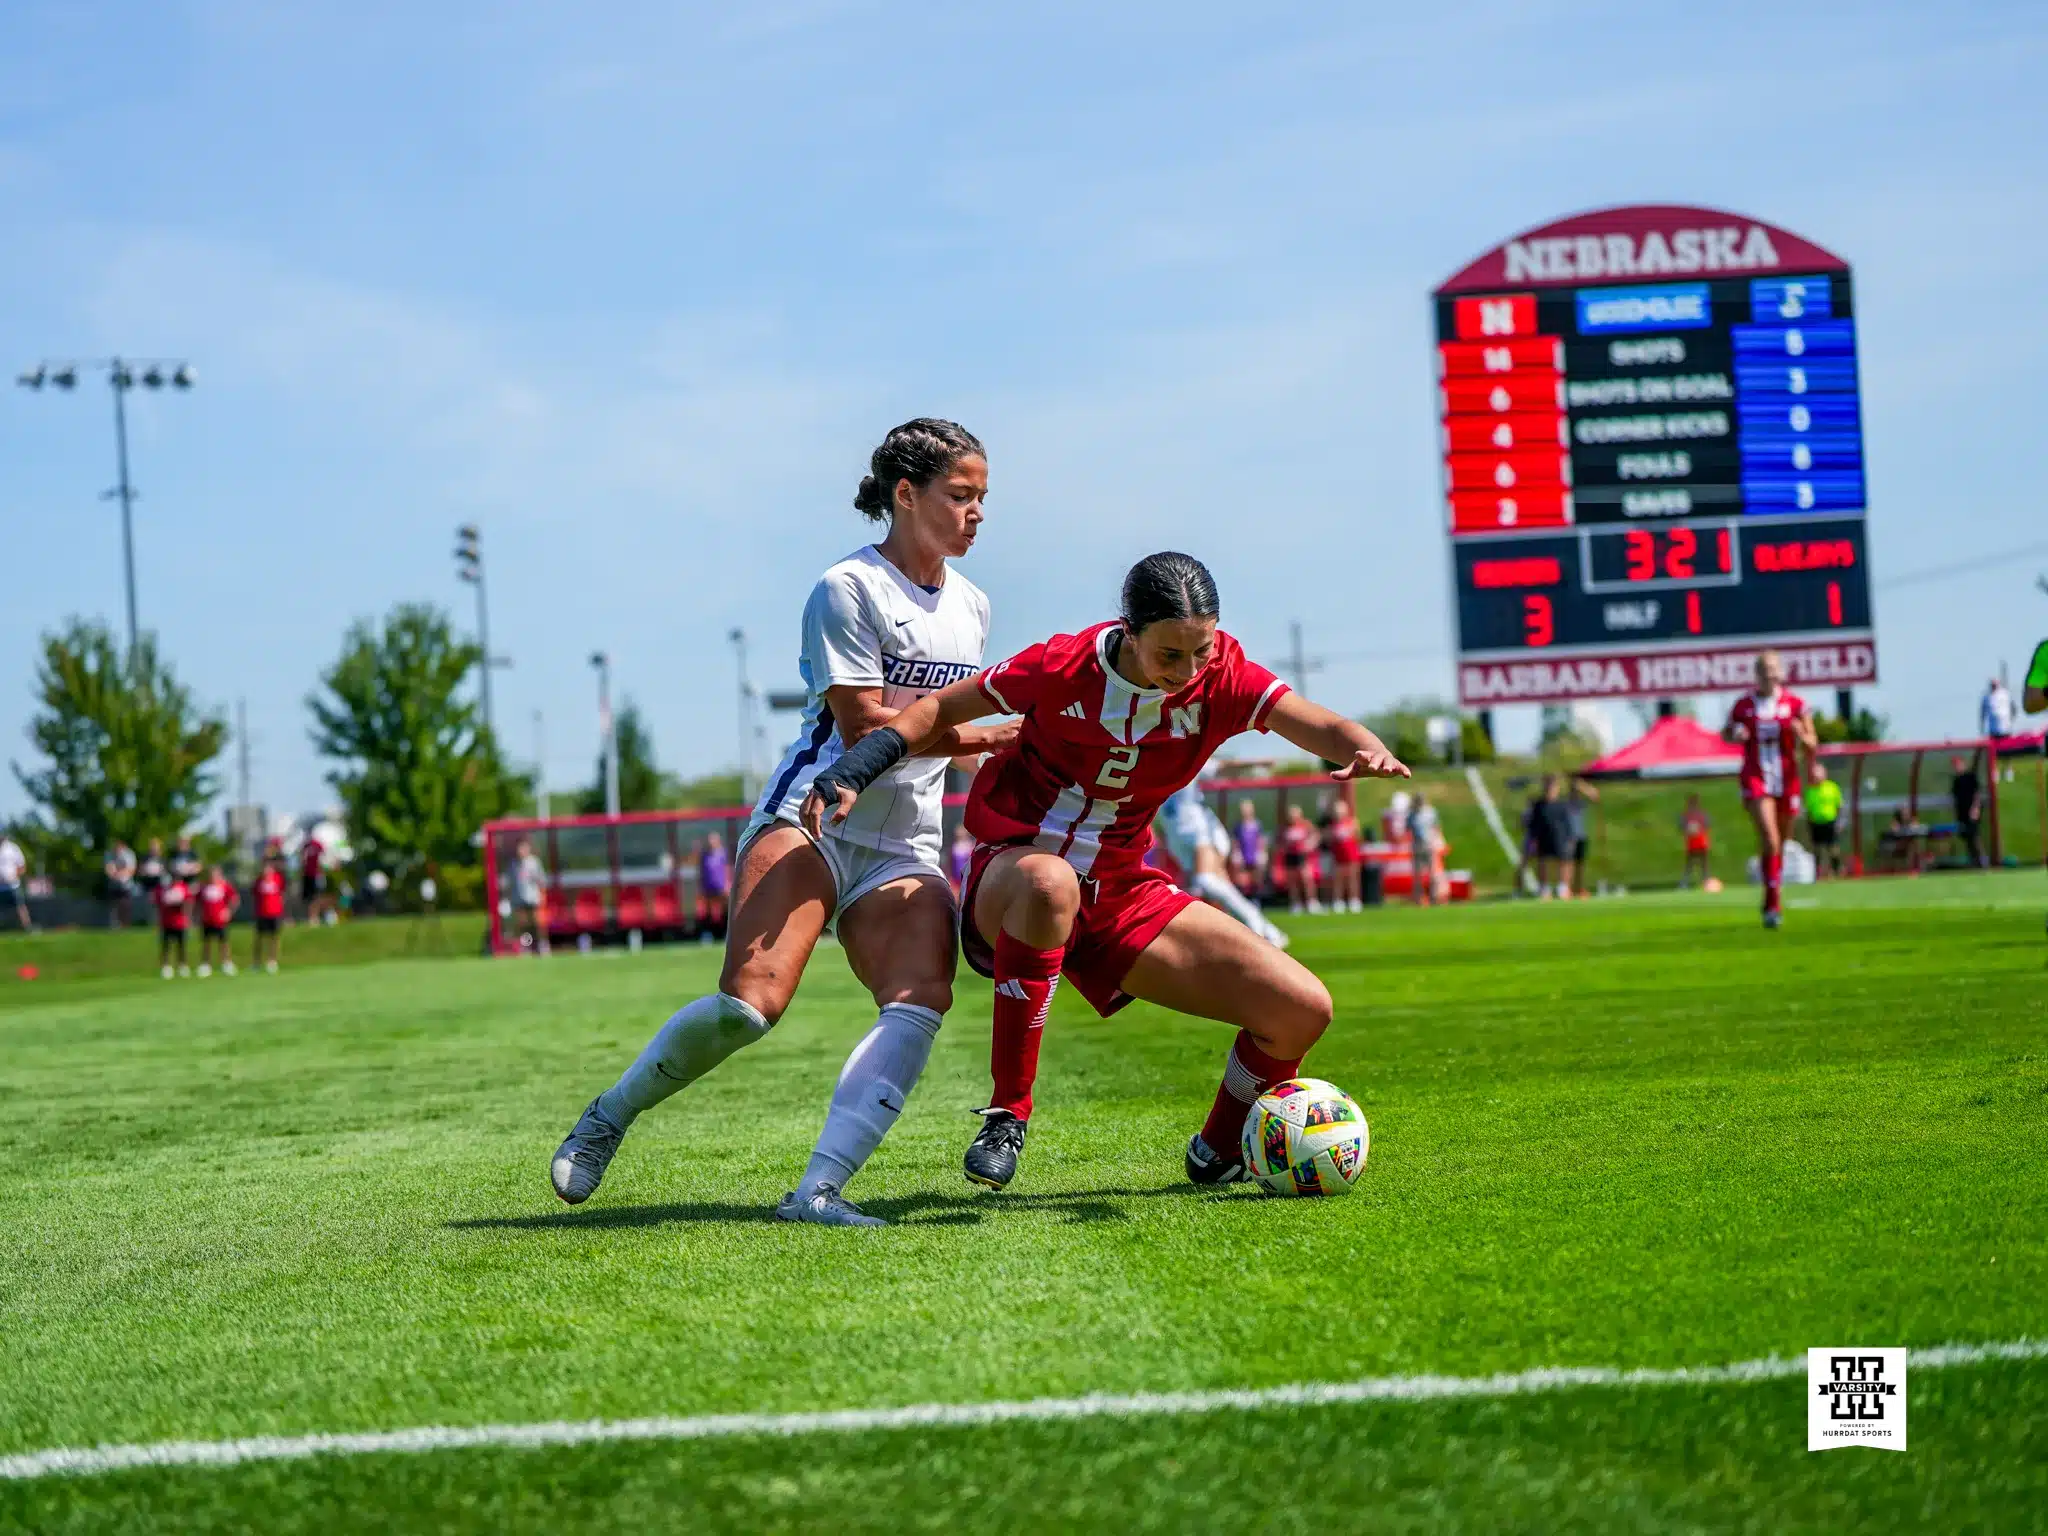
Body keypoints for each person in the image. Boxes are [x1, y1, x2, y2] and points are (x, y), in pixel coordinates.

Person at [802, 550, 1409, 1192]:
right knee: (1049, 882)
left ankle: (1218, 1149)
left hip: (1120, 891)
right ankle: (1008, 1113)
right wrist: (854, 768)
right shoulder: (1062, 667)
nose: (1189, 671)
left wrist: (1364, 748)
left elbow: (1320, 724)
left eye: (1201, 651)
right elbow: (934, 713)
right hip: (1013, 880)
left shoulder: (1222, 676)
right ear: (1128, 630)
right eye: (1169, 655)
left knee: (1301, 1010)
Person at [550, 418, 1012, 1228]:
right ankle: (608, 1116)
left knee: (921, 998)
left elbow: (947, 748)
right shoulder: (848, 589)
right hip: (813, 820)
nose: (977, 514)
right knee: (748, 1007)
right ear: (905, 496)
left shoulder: (972, 606)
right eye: (961, 496)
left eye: (984, 499)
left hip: (906, 843)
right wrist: (986, 733)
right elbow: (870, 725)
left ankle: (818, 1193)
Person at [1722, 649, 1817, 929]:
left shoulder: (1796, 704)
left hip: (1787, 779)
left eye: (1773, 668)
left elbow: (1813, 742)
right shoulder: (1744, 705)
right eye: (1764, 669)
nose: (1769, 674)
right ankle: (1774, 905)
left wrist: (1803, 738)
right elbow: (1726, 732)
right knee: (1770, 838)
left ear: (1781, 673)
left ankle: (1769, 895)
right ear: (1757, 674)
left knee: (1780, 845)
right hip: (1756, 777)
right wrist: (1735, 734)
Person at [1157, 784, 1289, 948]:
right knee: (1221, 889)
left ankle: (1252, 920)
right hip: (1179, 838)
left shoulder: (1185, 767)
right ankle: (1271, 932)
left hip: (1201, 833)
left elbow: (1216, 766)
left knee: (1205, 880)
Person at [1529, 775, 1570, 899]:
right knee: (1543, 863)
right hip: (1543, 837)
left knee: (1563, 862)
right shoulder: (1538, 805)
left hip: (1559, 837)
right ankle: (1545, 888)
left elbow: (1567, 822)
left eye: (1552, 787)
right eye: (1548, 787)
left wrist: (1569, 838)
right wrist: (1534, 839)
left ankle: (1563, 888)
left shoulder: (1562, 805)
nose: (1550, 790)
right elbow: (1533, 823)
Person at [1278, 803, 1322, 914]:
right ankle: (1296, 903)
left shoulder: (1305, 824)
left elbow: (1316, 835)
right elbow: (1279, 841)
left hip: (1302, 856)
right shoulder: (1285, 827)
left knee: (1307, 879)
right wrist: (1284, 847)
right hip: (1290, 856)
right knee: (1293, 881)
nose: (1292, 817)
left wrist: (1310, 844)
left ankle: (1312, 902)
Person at [196, 865, 240, 977]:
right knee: (207, 943)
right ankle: (206, 965)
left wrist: (228, 911)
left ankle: (226, 963)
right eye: (211, 874)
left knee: (224, 942)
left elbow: (235, 899)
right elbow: (197, 902)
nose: (213, 877)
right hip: (207, 920)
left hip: (220, 921)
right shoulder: (203, 887)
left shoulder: (225, 886)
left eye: (215, 874)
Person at [509, 837, 550, 954]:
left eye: (524, 848)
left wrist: (542, 895)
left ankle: (543, 946)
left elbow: (542, 880)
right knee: (523, 925)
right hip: (519, 899)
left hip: (534, 898)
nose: (521, 851)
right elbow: (511, 883)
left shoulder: (534, 862)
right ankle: (526, 946)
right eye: (520, 848)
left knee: (538, 923)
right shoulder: (513, 864)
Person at [1324, 797, 1365, 912]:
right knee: (1338, 880)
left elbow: (1358, 837)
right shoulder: (1332, 825)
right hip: (1338, 856)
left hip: (1351, 855)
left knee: (1352, 879)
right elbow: (1328, 839)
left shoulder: (1352, 822)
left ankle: (1354, 900)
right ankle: (1338, 901)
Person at [1804, 763, 1843, 879]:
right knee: (1817, 849)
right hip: (1815, 823)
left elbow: (1839, 805)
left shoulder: (1832, 787)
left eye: (1818, 773)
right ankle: (1817, 874)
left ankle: (1836, 871)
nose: (1816, 776)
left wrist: (1840, 821)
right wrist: (1809, 823)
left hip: (1830, 822)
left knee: (1833, 848)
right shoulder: (1810, 790)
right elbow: (1808, 809)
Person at [1562, 777, 1599, 897]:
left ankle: (1579, 888)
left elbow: (1594, 796)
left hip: (1581, 836)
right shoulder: (1566, 803)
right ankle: (1567, 889)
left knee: (1580, 864)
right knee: (1569, 863)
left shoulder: (1581, 802)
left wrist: (1582, 786)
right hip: (1569, 836)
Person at [154, 868, 193, 977]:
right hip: (167, 922)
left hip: (180, 922)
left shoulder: (183, 888)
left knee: (181, 946)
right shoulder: (163, 889)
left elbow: (188, 902)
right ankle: (166, 967)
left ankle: (183, 966)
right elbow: (158, 904)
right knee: (166, 946)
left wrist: (186, 914)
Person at [253, 853, 288, 972]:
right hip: (262, 913)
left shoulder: (278, 878)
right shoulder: (258, 881)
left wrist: (282, 910)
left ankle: (272, 961)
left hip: (275, 913)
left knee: (275, 937)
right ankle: (256, 962)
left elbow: (282, 895)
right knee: (259, 938)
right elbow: (255, 896)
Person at [1406, 793, 1443, 906]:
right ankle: (1418, 899)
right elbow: (1408, 830)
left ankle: (1434, 897)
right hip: (1417, 846)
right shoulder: (1411, 814)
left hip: (1429, 845)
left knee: (1433, 873)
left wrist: (1438, 841)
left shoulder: (1430, 812)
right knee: (1417, 875)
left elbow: (1436, 828)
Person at [1950, 755, 1984, 868]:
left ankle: (1982, 862)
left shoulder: (1970, 777)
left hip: (1972, 812)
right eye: (1955, 765)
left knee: (1974, 836)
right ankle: (1973, 863)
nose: (1957, 767)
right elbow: (1955, 799)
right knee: (1967, 839)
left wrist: (1976, 808)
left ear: (1963, 764)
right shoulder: (1956, 781)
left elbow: (1977, 794)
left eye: (1958, 764)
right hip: (1962, 814)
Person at [697, 831, 730, 940]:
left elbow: (727, 869)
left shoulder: (723, 854)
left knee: (725, 910)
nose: (711, 842)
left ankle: (726, 933)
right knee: (709, 912)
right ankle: (709, 935)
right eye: (710, 840)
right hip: (708, 888)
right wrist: (701, 887)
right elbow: (701, 872)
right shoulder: (704, 855)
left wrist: (727, 883)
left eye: (713, 839)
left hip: (721, 887)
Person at [1232, 799, 1268, 898]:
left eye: (1247, 809)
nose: (1245, 811)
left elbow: (1261, 839)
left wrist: (1262, 853)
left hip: (1254, 855)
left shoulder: (1257, 824)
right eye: (1243, 809)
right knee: (1242, 880)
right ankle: (1245, 900)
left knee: (1256, 879)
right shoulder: (1238, 826)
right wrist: (1236, 854)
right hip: (1243, 855)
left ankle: (1256, 900)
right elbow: (1235, 842)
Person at [1679, 794, 1713, 888]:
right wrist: (1688, 830)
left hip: (1701, 839)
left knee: (1704, 861)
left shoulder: (1701, 814)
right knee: (1690, 862)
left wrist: (1699, 828)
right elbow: (1682, 826)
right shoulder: (1686, 815)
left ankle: (1706, 880)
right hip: (1692, 841)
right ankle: (1685, 882)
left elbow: (1707, 824)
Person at [300, 832, 333, 925]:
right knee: (310, 897)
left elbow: (324, 857)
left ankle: (324, 914)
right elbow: (302, 859)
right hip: (308, 875)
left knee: (319, 895)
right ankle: (314, 917)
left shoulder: (317, 844)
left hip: (317, 875)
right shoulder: (305, 846)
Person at [105, 840, 138, 928]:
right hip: (114, 884)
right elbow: (109, 868)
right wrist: (115, 874)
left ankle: (125, 924)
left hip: (126, 884)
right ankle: (115, 925)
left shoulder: (129, 854)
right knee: (114, 905)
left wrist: (120, 874)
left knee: (125, 905)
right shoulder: (109, 854)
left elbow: (131, 869)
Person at [0, 832, 29, 933]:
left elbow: (22, 866)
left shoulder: (13, 848)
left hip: (13, 885)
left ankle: (27, 928)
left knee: (20, 907)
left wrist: (13, 876)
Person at [947, 822, 976, 899]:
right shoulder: (954, 847)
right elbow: (950, 862)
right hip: (955, 879)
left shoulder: (970, 845)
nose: (959, 833)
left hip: (967, 878)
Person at [137, 838, 166, 909]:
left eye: (155, 846)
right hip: (146, 884)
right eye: (152, 846)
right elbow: (140, 871)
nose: (154, 848)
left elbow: (165, 872)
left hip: (158, 884)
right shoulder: (144, 858)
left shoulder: (162, 859)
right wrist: (144, 871)